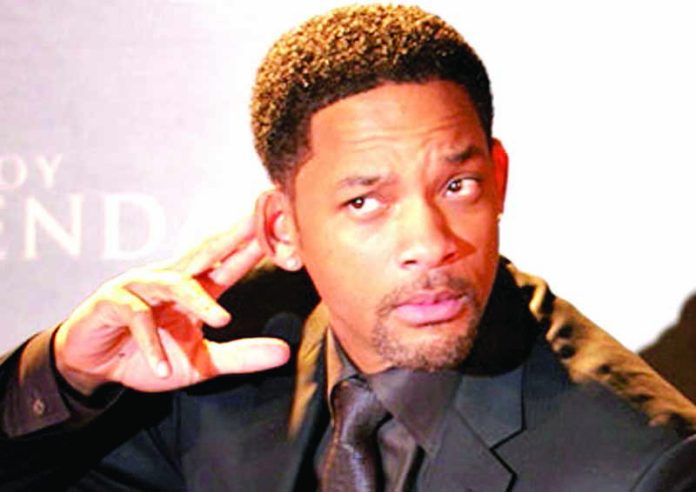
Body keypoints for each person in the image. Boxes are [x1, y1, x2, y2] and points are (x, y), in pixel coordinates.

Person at [2, 4, 696, 491]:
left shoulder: (641, 466)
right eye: (366, 202)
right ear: (284, 230)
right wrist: (67, 375)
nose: (429, 243)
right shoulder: (219, 351)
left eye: (457, 185)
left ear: (499, 179)